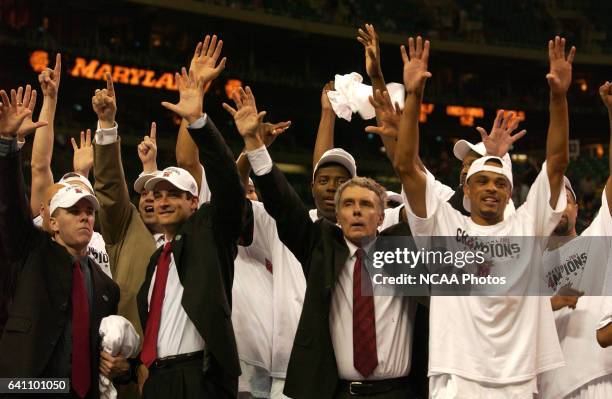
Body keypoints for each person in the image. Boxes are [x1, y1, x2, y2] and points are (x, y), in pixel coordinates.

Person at [394, 35, 573, 397]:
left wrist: (558, 98)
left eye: (499, 183)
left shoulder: (527, 225)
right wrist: (413, 96)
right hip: (457, 376)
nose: (491, 188)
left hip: (519, 379)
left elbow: (556, 164)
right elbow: (406, 167)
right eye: (482, 182)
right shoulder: (443, 225)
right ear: (467, 190)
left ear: (510, 192)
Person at [228, 84, 418, 398]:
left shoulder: (403, 251)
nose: (355, 211)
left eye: (366, 204)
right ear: (336, 215)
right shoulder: (319, 244)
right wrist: (253, 147)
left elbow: (424, 206)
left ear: (384, 214)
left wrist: (401, 136)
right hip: (320, 383)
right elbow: (281, 202)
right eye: (347, 204)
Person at [0, 86, 127, 398]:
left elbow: (101, 351)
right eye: (74, 211)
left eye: (89, 211)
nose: (85, 217)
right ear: (52, 222)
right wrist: (7, 144)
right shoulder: (32, 250)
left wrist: (121, 365)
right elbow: (10, 204)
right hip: (28, 389)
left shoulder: (107, 288)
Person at [135, 67, 248, 398]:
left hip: (199, 379)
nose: (162, 201)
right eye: (157, 194)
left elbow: (228, 182)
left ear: (195, 201)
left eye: (173, 194)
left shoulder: (210, 233)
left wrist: (198, 121)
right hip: (156, 380)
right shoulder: (158, 258)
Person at [537, 81, 612, 399]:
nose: (558, 206)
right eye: (550, 199)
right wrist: (552, 302)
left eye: (565, 198)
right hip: (543, 388)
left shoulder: (598, 237)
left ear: (577, 206)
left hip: (593, 380)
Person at [92, 74, 161, 341]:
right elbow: (109, 187)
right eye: (143, 194)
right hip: (127, 361)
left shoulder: (188, 237)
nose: (149, 199)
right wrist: (107, 126)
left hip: (181, 361)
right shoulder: (127, 225)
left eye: (158, 194)